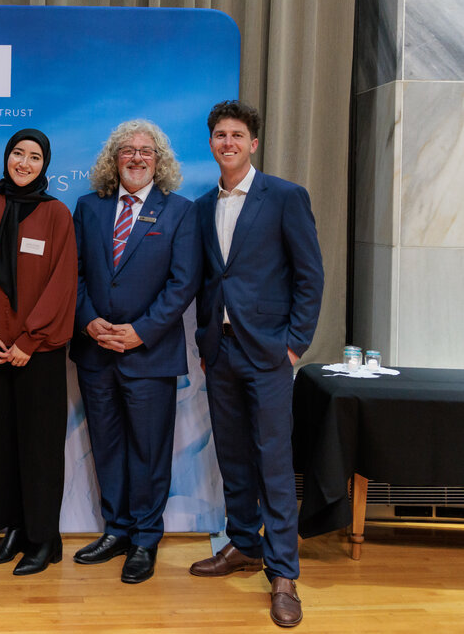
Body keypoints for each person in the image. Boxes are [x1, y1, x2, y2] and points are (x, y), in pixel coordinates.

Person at [189, 100, 323, 628]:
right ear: (211, 142)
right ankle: (243, 544)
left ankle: (284, 573)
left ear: (253, 143)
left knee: (272, 461)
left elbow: (309, 276)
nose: (228, 142)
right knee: (234, 458)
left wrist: (295, 346)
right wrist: (204, 342)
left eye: (237, 135)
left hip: (269, 353)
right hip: (220, 352)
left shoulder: (286, 197)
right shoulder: (203, 206)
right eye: (220, 134)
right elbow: (207, 281)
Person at [69, 119, 201, 584]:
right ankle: (117, 529)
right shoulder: (88, 208)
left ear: (159, 161)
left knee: (149, 450)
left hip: (150, 354)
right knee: (106, 446)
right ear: (114, 159)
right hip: (96, 351)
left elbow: (183, 283)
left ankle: (146, 537)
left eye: (147, 151)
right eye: (128, 150)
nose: (137, 157)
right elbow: (75, 274)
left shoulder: (180, 212)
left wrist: (141, 331)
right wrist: (87, 320)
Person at [0, 128, 77, 576]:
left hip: (38, 352)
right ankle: (11, 528)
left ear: (45, 165)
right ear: (6, 158)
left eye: (33, 157)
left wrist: (30, 340)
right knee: (1, 441)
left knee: (40, 447)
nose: (23, 163)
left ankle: (43, 538)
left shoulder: (57, 215)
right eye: (17, 154)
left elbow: (62, 284)